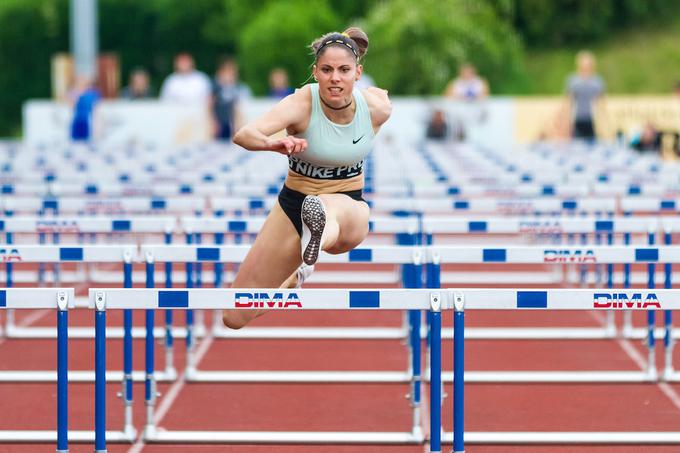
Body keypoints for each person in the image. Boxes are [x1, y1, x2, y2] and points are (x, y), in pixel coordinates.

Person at [222, 27, 391, 329]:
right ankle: (297, 273)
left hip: (349, 207)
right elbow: (244, 134)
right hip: (293, 205)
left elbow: (381, 98)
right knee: (235, 314)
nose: (335, 78)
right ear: (315, 72)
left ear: (358, 73)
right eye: (326, 70)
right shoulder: (301, 103)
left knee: (325, 207)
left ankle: (313, 241)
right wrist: (272, 143)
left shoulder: (376, 108)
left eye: (343, 70)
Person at [564, 50, 606, 142]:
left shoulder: (597, 81)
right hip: (577, 121)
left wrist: (603, 125)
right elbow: (568, 102)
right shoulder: (573, 81)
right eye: (583, 64)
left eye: (588, 64)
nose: (585, 66)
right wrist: (567, 124)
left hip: (592, 121)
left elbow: (601, 103)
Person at [212, 58, 252, 141]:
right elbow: (210, 105)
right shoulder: (216, 88)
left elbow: (238, 107)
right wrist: (214, 122)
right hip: (220, 121)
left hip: (233, 122)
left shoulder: (239, 88)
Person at [69, 75, 101, 141]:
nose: (81, 85)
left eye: (83, 83)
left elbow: (96, 105)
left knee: (85, 136)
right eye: (79, 83)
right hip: (77, 119)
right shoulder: (74, 93)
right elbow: (71, 104)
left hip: (86, 119)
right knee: (76, 136)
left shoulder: (91, 94)